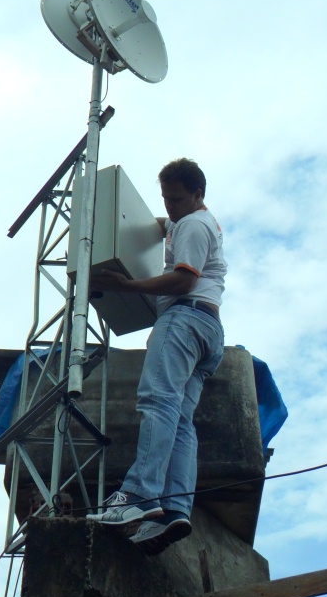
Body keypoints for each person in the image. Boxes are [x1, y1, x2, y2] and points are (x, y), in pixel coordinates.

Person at [85, 158, 227, 554]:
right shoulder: (193, 221)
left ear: (198, 194)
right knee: (180, 421)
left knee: (157, 403)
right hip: (207, 330)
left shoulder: (193, 225)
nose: (170, 207)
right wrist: (152, 223)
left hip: (183, 320)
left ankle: (137, 496)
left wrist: (127, 286)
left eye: (176, 199)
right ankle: (174, 510)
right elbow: (167, 225)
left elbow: (183, 280)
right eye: (165, 198)